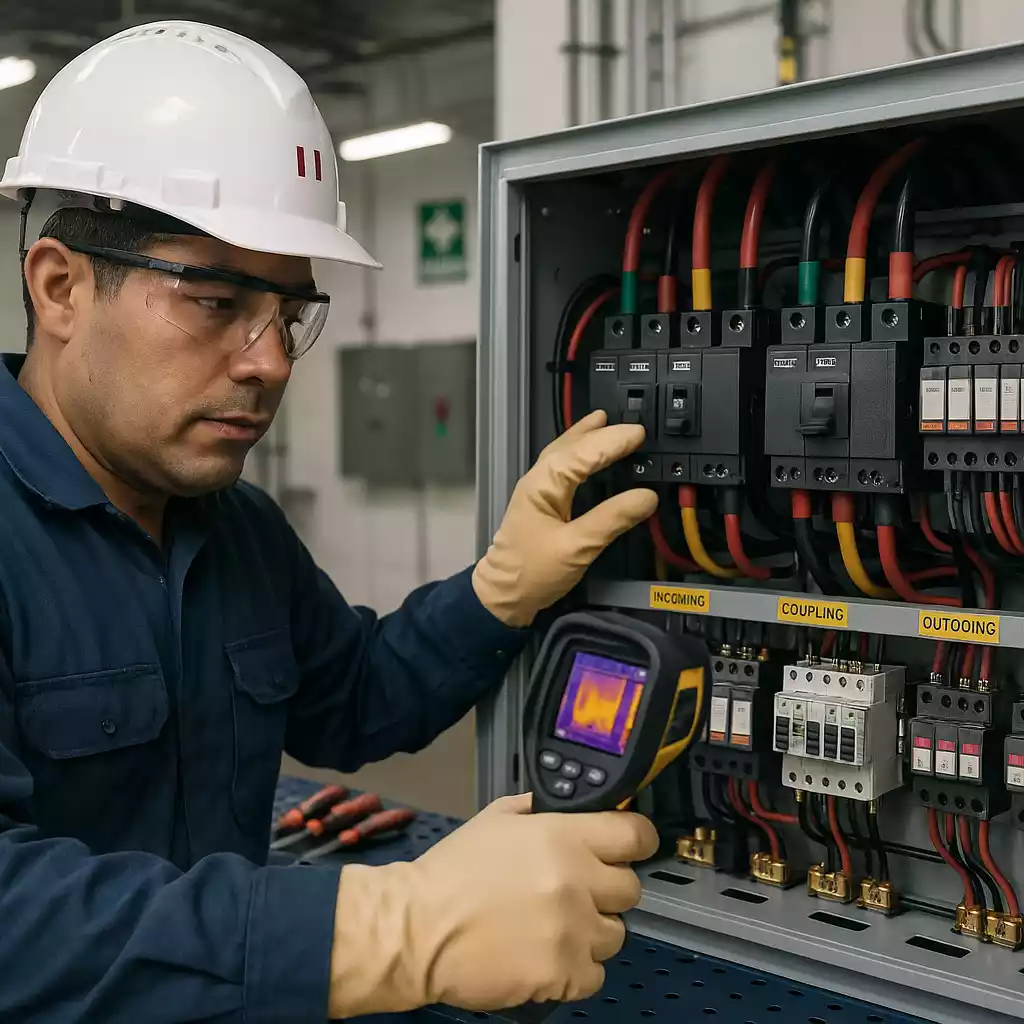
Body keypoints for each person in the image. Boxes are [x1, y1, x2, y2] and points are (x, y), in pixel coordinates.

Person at [0, 20, 661, 1023]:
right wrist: (384, 927)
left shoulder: (235, 530)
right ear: (61, 288)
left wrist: (496, 592)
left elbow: (355, 699)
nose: (268, 361)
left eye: (287, 313)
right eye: (216, 299)